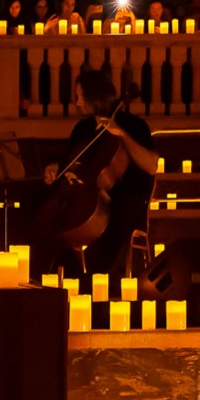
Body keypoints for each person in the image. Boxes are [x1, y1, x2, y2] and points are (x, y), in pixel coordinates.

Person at [41, 67, 158, 277]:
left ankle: (95, 279)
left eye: (81, 97)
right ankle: (51, 272)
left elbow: (151, 165)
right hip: (86, 197)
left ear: (95, 97)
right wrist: (56, 169)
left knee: (112, 222)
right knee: (53, 214)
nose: (77, 102)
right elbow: (72, 164)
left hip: (124, 202)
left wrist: (121, 134)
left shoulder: (134, 125)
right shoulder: (83, 128)